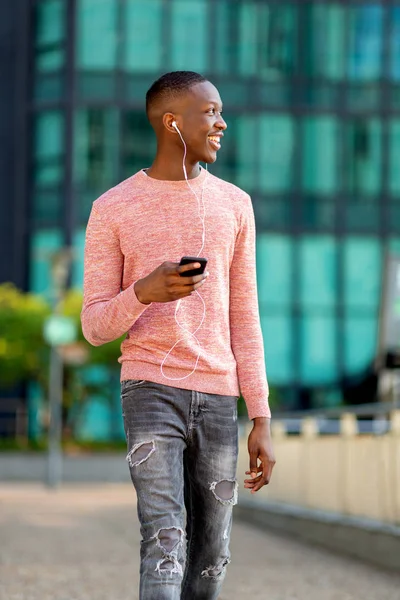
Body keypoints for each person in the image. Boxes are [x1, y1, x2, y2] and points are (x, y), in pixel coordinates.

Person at [81, 70, 275, 600]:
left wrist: (260, 415)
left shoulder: (236, 205)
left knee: (212, 554)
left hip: (218, 396)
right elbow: (94, 326)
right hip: (148, 390)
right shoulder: (112, 208)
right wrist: (142, 292)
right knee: (165, 537)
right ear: (172, 121)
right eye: (210, 112)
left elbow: (245, 317)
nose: (222, 122)